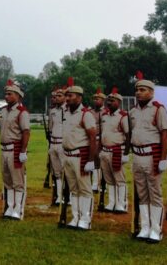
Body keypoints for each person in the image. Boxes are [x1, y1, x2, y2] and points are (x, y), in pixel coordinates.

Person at [129, 71, 167, 243]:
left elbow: (165, 134)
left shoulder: (158, 109)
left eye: (143, 89)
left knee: (155, 193)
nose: (139, 92)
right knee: (142, 193)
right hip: (137, 156)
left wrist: (162, 159)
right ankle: (145, 227)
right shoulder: (133, 111)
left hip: (151, 155)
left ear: (151, 92)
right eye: (137, 90)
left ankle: (156, 229)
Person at [62, 78, 98, 229]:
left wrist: (91, 160)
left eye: (71, 96)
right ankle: (76, 217)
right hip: (67, 155)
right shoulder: (67, 113)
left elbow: (92, 137)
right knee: (73, 188)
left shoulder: (85, 114)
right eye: (67, 96)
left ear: (79, 97)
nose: (68, 98)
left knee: (84, 188)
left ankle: (85, 219)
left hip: (80, 155)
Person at [0, 80, 31, 220]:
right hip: (4, 149)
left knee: (18, 181)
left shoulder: (22, 112)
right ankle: (10, 207)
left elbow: (26, 132)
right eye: (5, 94)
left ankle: (18, 209)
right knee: (7, 180)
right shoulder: (3, 111)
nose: (6, 96)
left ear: (17, 96)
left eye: (9, 94)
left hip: (15, 149)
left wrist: (23, 151)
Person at [99, 87, 130, 213]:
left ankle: (121, 204)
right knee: (108, 179)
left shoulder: (123, 116)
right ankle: (111, 202)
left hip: (117, 150)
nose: (109, 102)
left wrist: (126, 153)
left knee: (119, 178)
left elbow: (128, 136)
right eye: (108, 100)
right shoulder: (104, 115)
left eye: (112, 100)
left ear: (119, 102)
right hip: (105, 151)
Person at [48, 87, 66, 205]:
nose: (57, 98)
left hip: (63, 143)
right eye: (56, 96)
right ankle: (59, 196)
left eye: (60, 96)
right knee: (57, 172)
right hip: (53, 143)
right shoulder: (53, 111)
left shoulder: (68, 111)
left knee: (66, 172)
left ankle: (66, 196)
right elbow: (50, 128)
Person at [91, 88, 106, 193]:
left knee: (102, 162)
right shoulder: (90, 112)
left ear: (103, 100)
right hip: (93, 139)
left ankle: (103, 184)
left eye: (98, 99)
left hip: (102, 139)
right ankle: (95, 183)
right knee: (94, 161)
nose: (95, 100)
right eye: (94, 99)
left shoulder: (106, 112)